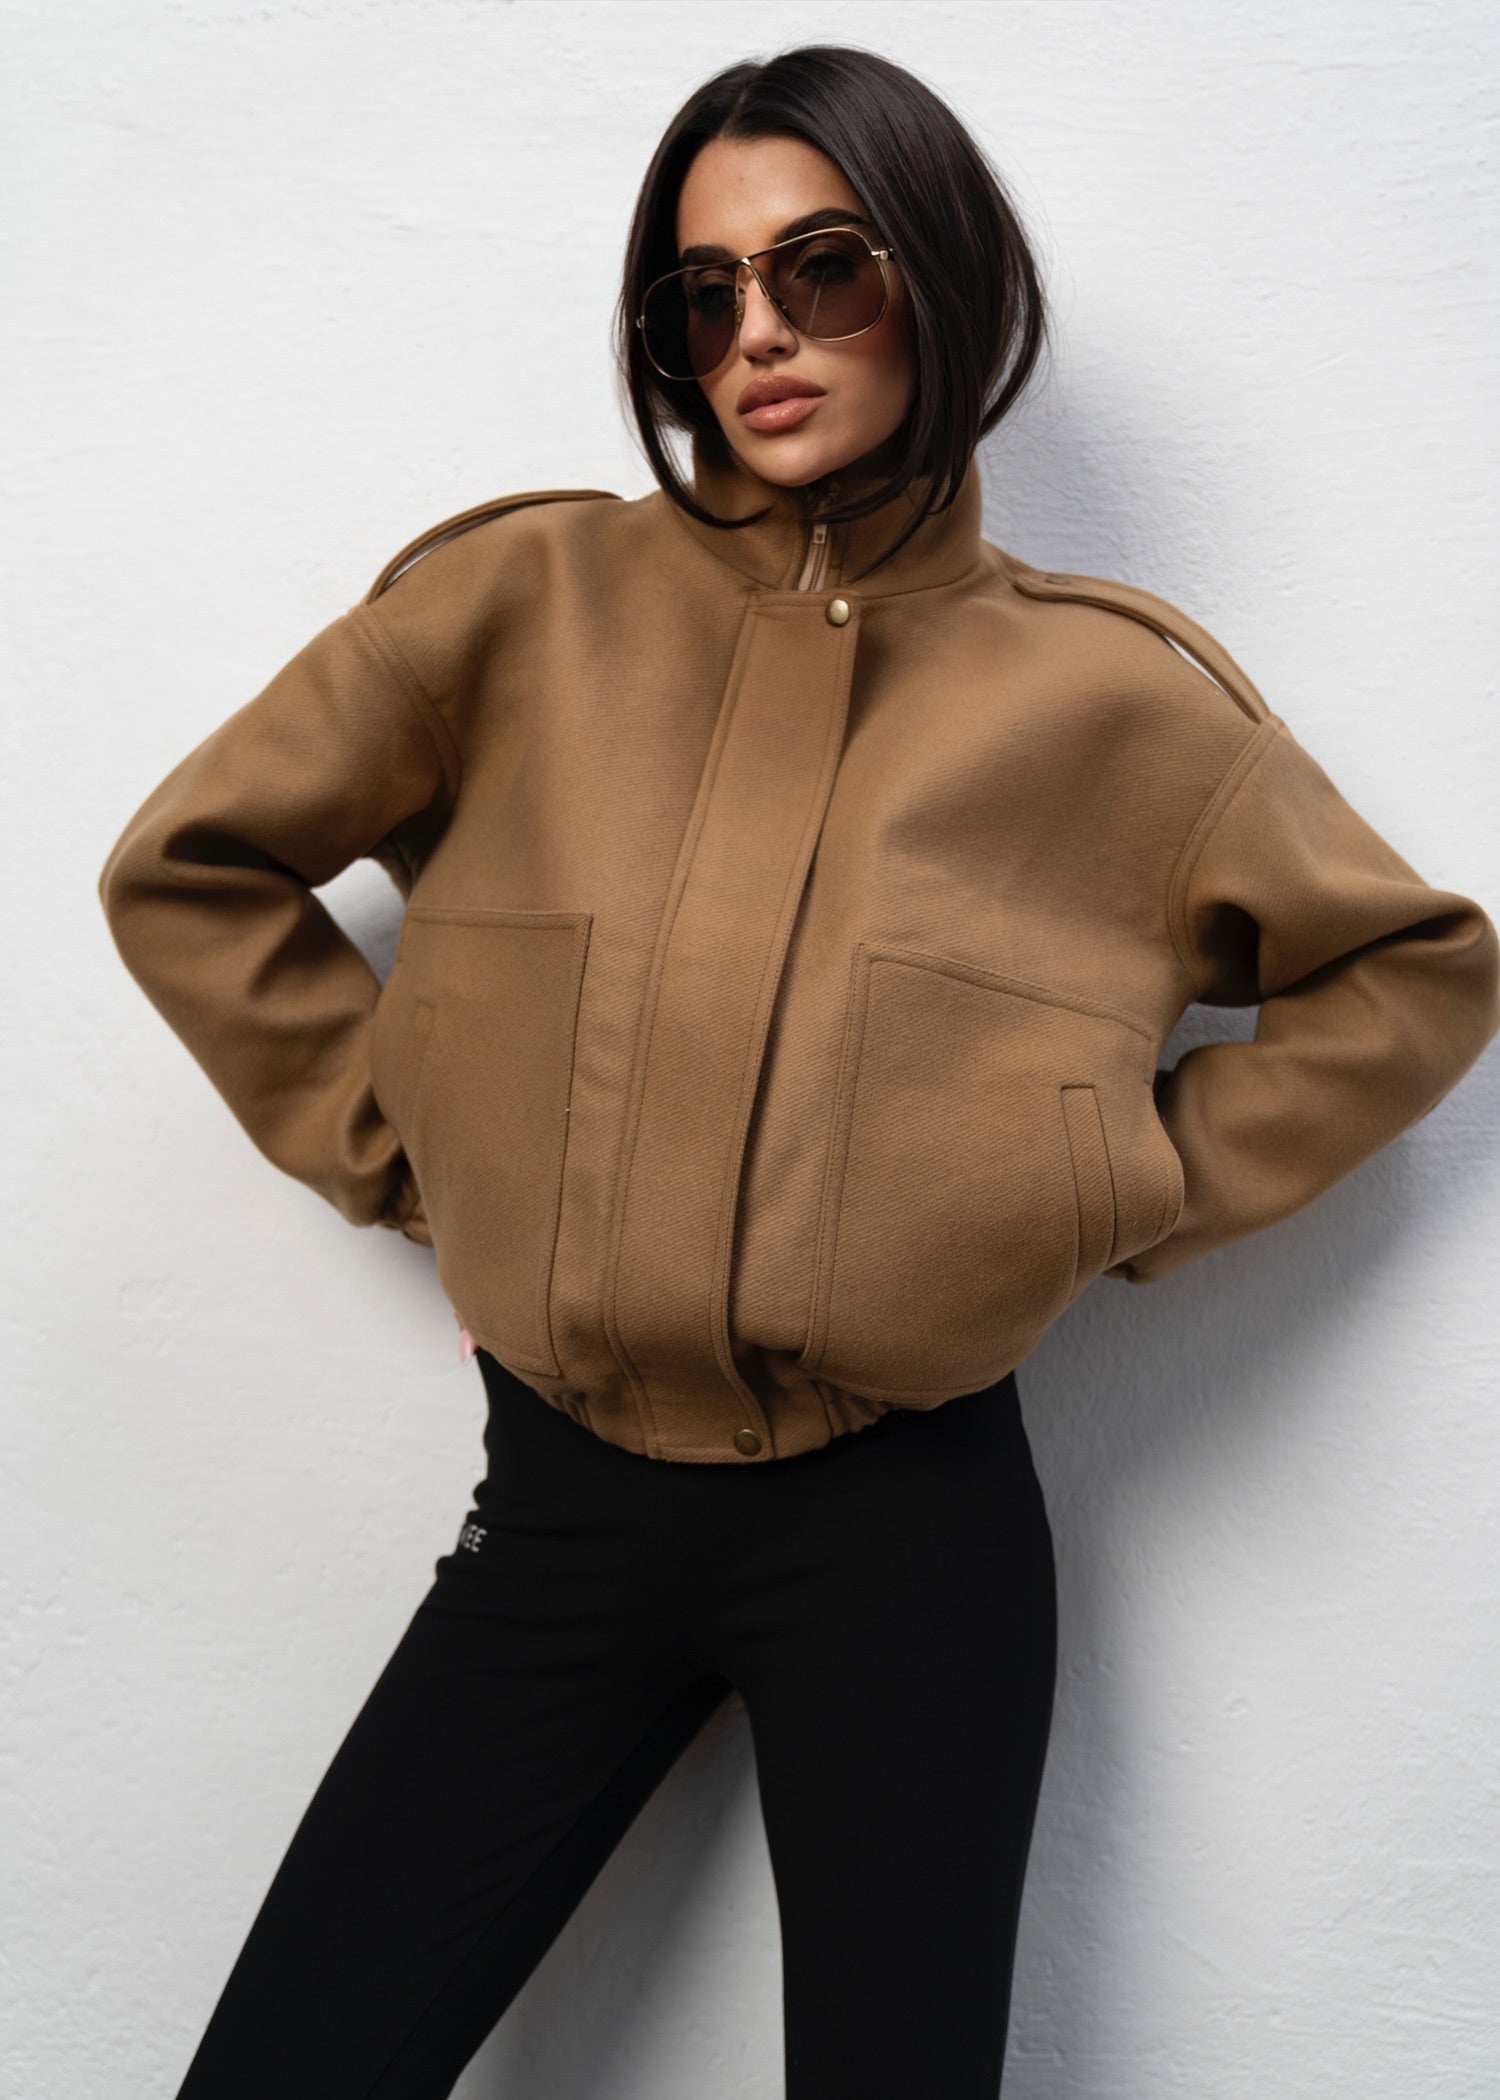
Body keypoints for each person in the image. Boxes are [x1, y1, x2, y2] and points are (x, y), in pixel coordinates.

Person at [96, 42, 1500, 2100]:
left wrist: (1119, 1181)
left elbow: (1417, 969)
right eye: (705, 292)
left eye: (822, 268)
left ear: (941, 276)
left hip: (912, 1541)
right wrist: (414, 1160)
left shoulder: (1118, 702)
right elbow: (189, 870)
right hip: (563, 1511)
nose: (757, 332)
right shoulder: (517, 603)